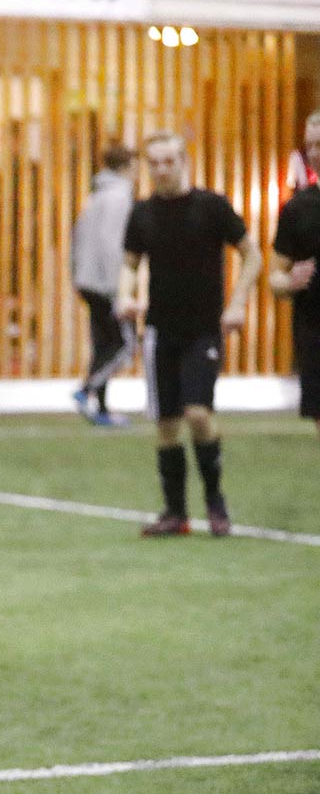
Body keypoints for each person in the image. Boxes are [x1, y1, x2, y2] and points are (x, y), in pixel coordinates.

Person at [118, 131, 261, 537]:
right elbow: (129, 263)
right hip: (161, 331)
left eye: (169, 161)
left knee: (198, 414)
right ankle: (175, 513)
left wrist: (237, 305)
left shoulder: (211, 207)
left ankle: (216, 503)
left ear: (184, 162)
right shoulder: (142, 214)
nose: (162, 170)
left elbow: (252, 254)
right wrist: (125, 295)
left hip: (203, 329)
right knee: (166, 425)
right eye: (155, 163)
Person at [70, 145, 137, 427]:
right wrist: (119, 289)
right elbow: (113, 244)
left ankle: (103, 408)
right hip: (106, 283)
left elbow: (78, 238)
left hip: (88, 280)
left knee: (103, 345)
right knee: (125, 345)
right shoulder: (119, 197)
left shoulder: (96, 195)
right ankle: (86, 390)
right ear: (127, 166)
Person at [270, 109, 320, 440]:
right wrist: (289, 282)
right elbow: (275, 277)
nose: (314, 153)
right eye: (310, 145)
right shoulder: (297, 208)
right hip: (314, 328)